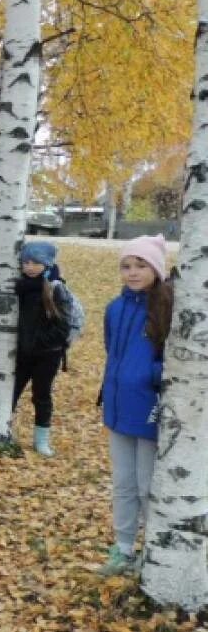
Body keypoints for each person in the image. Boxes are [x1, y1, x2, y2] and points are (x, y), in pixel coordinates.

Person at [98, 235, 173, 576]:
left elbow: (176, 359)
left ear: (156, 268)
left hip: (150, 411)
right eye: (126, 266)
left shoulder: (167, 306)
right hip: (118, 408)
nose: (132, 272)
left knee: (148, 485)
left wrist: (149, 375)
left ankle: (154, 549)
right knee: (124, 484)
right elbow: (112, 351)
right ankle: (124, 547)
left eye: (141, 265)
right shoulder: (115, 308)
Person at [12, 241, 79, 457]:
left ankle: (41, 440)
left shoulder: (55, 289)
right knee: (9, 393)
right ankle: (1, 430)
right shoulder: (18, 287)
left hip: (47, 356)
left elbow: (63, 326)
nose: (29, 267)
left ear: (47, 264)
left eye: (35, 263)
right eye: (26, 262)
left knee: (41, 396)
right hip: (21, 354)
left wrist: (37, 342)